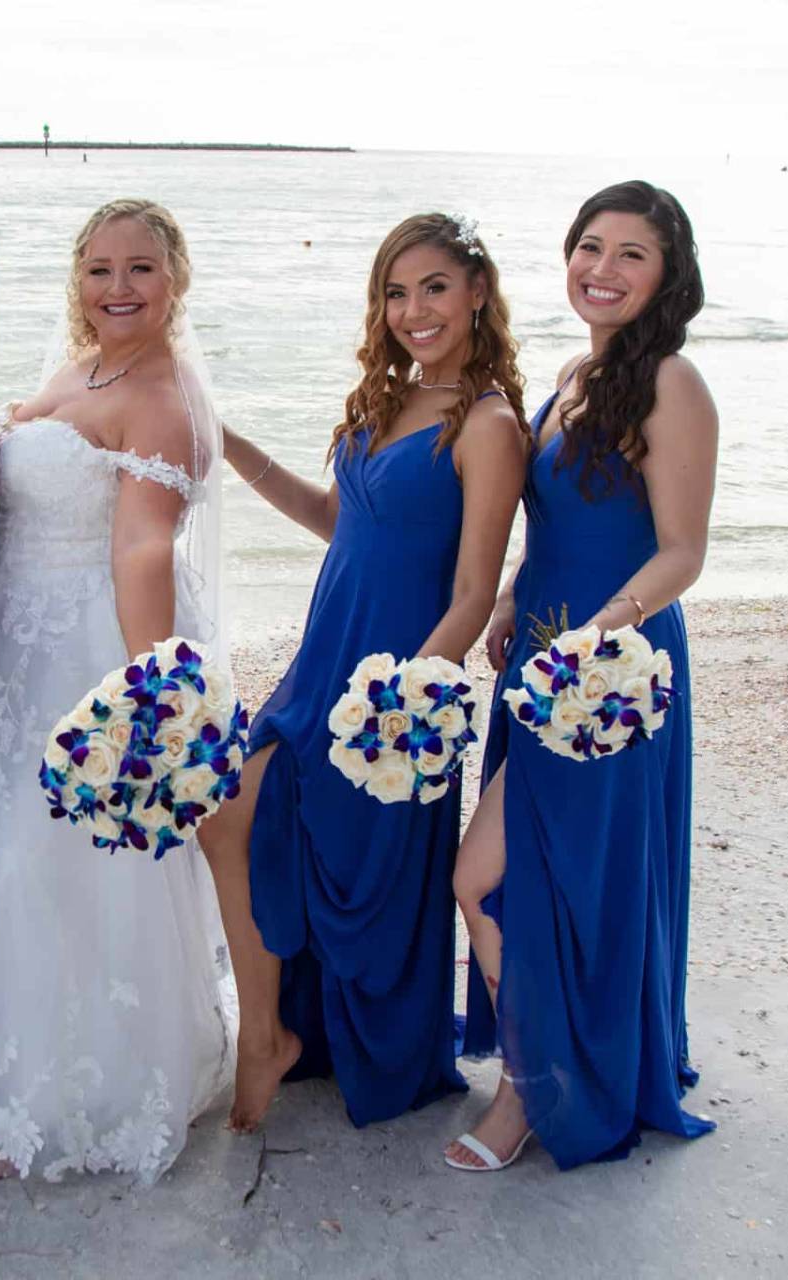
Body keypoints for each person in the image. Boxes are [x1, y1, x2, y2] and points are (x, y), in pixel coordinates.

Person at [204, 213, 528, 1131]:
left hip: (392, 686)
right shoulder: (387, 402)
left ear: (476, 293)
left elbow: (471, 592)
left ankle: (302, 1042)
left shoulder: (489, 423)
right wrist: (227, 444)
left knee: (335, 856)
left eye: (433, 288)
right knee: (237, 815)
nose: (413, 311)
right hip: (323, 658)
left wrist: (399, 700)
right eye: (395, 292)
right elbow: (340, 523)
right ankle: (274, 1032)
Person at [0, 198, 234, 1185]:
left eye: (141, 268)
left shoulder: (160, 389)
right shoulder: (77, 368)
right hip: (15, 644)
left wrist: (148, 691)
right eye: (101, 267)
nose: (119, 286)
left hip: (95, 648)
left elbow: (147, 544)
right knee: (12, 850)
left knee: (55, 855)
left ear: (175, 278)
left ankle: (70, 1098)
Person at [445, 180, 719, 1172]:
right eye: (589, 246)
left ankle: (532, 1085)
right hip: (543, 665)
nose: (602, 269)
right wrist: (517, 598)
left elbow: (682, 550)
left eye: (630, 254)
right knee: (538, 881)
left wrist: (594, 638)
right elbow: (552, 523)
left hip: (612, 674)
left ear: (667, 275)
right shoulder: (570, 374)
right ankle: (556, 1056)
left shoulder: (672, 385)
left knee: (494, 876)